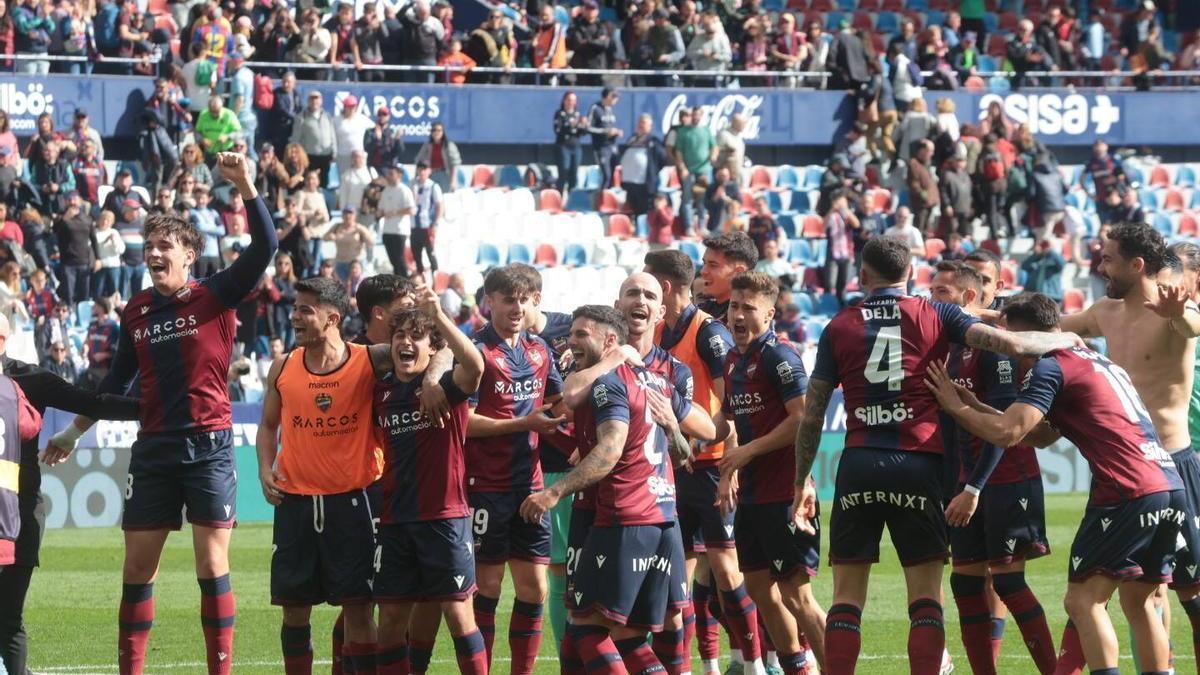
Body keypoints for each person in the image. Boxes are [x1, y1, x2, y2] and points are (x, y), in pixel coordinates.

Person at [789, 236, 1081, 675]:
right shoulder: (937, 313)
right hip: (919, 463)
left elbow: (812, 416)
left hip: (858, 463)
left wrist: (800, 482)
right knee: (925, 596)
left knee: (847, 598)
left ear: (863, 276)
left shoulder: (837, 326)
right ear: (911, 275)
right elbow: (1013, 345)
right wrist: (1071, 335)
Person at [41, 153, 278, 675]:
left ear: (190, 254)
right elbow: (115, 383)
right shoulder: (136, 310)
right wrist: (76, 432)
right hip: (153, 449)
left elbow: (266, 248)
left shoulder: (216, 295)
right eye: (148, 246)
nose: (152, 253)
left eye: (163, 245)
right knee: (136, 568)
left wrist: (245, 185)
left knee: (212, 565)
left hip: (209, 447)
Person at [926, 292, 1185, 675]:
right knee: (1139, 600)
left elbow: (1007, 432)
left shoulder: (1050, 365)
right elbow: (1043, 436)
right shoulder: (1096, 359)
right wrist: (977, 406)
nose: (1007, 349)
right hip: (1167, 482)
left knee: (1084, 600)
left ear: (1025, 333)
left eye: (1008, 336)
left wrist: (955, 407)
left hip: (1127, 488)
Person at [519, 303, 708, 675]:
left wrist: (554, 493)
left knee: (588, 631)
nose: (569, 342)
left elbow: (608, 450)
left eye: (579, 335)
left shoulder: (608, 381)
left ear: (609, 340)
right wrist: (673, 431)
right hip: (661, 518)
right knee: (623, 634)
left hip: (623, 516)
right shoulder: (655, 379)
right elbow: (690, 445)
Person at [1057, 223, 1200, 673]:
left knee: (1191, 595)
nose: (1099, 267)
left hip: (1174, 463)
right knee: (1141, 594)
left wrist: (1178, 312)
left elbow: (1190, 325)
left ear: (1136, 264)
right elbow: (1054, 326)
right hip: (1127, 468)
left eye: (1107, 259)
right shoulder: (1105, 312)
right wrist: (984, 318)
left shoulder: (1177, 308)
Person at [256, 275, 388, 675]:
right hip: (295, 504)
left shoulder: (369, 360)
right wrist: (264, 468)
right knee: (294, 611)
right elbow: (267, 427)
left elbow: (435, 351)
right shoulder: (283, 366)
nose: (294, 317)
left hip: (353, 503)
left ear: (332, 318)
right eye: (295, 308)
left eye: (304, 310)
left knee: (359, 610)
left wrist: (434, 378)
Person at [928, 262, 1056, 675]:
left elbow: (1003, 423)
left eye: (942, 292)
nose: (933, 299)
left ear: (967, 297)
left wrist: (975, 487)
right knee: (964, 583)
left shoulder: (995, 348)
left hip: (1005, 479)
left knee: (1007, 583)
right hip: (965, 481)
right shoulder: (948, 347)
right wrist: (955, 482)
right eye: (931, 290)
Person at [0, 309, 138, 675]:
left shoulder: (27, 378)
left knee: (9, 618)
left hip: (21, 516)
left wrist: (152, 409)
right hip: (20, 513)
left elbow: (93, 403)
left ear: (3, 338)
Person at [644, 250, 762, 675]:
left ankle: (751, 663)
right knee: (680, 575)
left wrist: (729, 466)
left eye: (649, 286)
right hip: (672, 470)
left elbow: (730, 406)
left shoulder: (710, 333)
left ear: (667, 289)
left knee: (728, 571)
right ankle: (705, 666)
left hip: (711, 466)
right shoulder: (656, 330)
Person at [708, 271, 825, 675]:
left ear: (770, 313)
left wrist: (746, 453)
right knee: (758, 587)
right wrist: (719, 460)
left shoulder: (780, 355)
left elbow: (803, 420)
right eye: (733, 306)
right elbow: (732, 419)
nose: (737, 315)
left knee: (797, 595)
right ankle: (798, 668)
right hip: (754, 494)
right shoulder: (733, 357)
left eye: (748, 308)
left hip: (784, 492)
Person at [372, 284, 488, 675]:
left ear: (431, 347)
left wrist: (439, 318)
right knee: (389, 621)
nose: (405, 343)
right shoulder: (383, 391)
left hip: (444, 518)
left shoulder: (447, 389)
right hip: (395, 521)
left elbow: (475, 366)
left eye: (415, 337)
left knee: (458, 614)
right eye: (399, 336)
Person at [464, 265, 564, 673]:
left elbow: (560, 403)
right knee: (486, 588)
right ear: (490, 302)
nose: (517, 307)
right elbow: (464, 421)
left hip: (530, 485)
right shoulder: (475, 352)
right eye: (508, 299)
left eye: (525, 299)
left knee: (535, 588)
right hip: (486, 486)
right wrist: (523, 423)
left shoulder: (540, 350)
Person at [671, 106, 717, 235]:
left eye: (698, 115)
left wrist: (713, 156)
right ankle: (689, 227)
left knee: (702, 199)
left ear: (701, 116)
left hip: (704, 170)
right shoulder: (683, 131)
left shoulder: (706, 130)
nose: (696, 117)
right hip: (689, 171)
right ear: (691, 115)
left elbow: (714, 147)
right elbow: (678, 152)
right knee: (687, 199)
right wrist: (683, 168)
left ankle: (702, 226)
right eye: (694, 115)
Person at [618, 114, 670, 219]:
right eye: (640, 122)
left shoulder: (653, 141)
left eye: (644, 123)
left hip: (644, 184)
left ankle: (644, 231)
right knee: (632, 209)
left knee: (644, 211)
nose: (641, 125)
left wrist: (652, 171)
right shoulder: (632, 139)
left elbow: (663, 159)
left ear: (650, 126)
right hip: (630, 182)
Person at [698, 231, 758, 321]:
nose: (703, 271)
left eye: (713, 265)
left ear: (739, 273)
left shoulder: (745, 320)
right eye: (704, 263)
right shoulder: (703, 310)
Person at [291, 91, 337, 189]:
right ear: (308, 101)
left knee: (324, 184)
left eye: (317, 99)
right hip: (310, 157)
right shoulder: (301, 117)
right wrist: (297, 155)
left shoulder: (327, 116)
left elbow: (332, 134)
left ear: (321, 101)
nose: (314, 101)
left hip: (326, 156)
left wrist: (334, 150)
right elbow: (296, 138)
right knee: (309, 182)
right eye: (312, 99)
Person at [378, 165, 416, 278]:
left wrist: (395, 212)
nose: (389, 176)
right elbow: (381, 209)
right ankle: (397, 282)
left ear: (399, 175)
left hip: (400, 230)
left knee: (399, 258)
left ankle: (404, 280)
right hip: (387, 229)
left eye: (391, 174)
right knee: (393, 260)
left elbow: (411, 209)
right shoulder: (385, 191)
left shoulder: (404, 190)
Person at [409, 162, 442, 278]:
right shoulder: (412, 184)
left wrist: (436, 223)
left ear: (429, 171)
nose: (422, 172)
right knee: (416, 254)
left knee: (430, 253)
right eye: (420, 169)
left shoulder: (433, 186)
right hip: (414, 226)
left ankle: (435, 277)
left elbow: (439, 206)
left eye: (425, 169)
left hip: (427, 226)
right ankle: (420, 278)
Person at [586, 88, 622, 190]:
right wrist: (605, 132)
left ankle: (607, 198)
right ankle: (600, 199)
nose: (616, 99)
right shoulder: (595, 108)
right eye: (613, 96)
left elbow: (610, 128)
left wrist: (616, 132)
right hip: (601, 147)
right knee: (606, 175)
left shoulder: (610, 110)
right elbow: (588, 128)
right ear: (606, 96)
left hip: (612, 146)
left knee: (613, 175)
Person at [553, 91, 586, 196]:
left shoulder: (578, 114)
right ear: (564, 101)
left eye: (573, 100)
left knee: (574, 174)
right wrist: (570, 125)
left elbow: (582, 133)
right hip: (563, 146)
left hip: (576, 147)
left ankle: (572, 200)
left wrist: (583, 126)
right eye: (569, 100)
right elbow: (558, 130)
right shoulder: (560, 114)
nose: (571, 103)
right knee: (563, 173)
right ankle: (558, 198)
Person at [413, 123, 461, 193]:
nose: (436, 132)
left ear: (443, 132)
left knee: (443, 197)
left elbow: (455, 163)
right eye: (434, 130)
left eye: (439, 130)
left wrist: (453, 180)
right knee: (430, 197)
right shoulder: (427, 145)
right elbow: (418, 160)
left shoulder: (449, 145)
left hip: (445, 175)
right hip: (430, 175)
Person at [907, 139, 939, 236]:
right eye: (930, 151)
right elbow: (914, 184)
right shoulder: (914, 164)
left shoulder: (926, 164)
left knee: (926, 231)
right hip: (921, 205)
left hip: (930, 203)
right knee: (918, 231)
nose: (932, 154)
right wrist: (924, 196)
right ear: (922, 150)